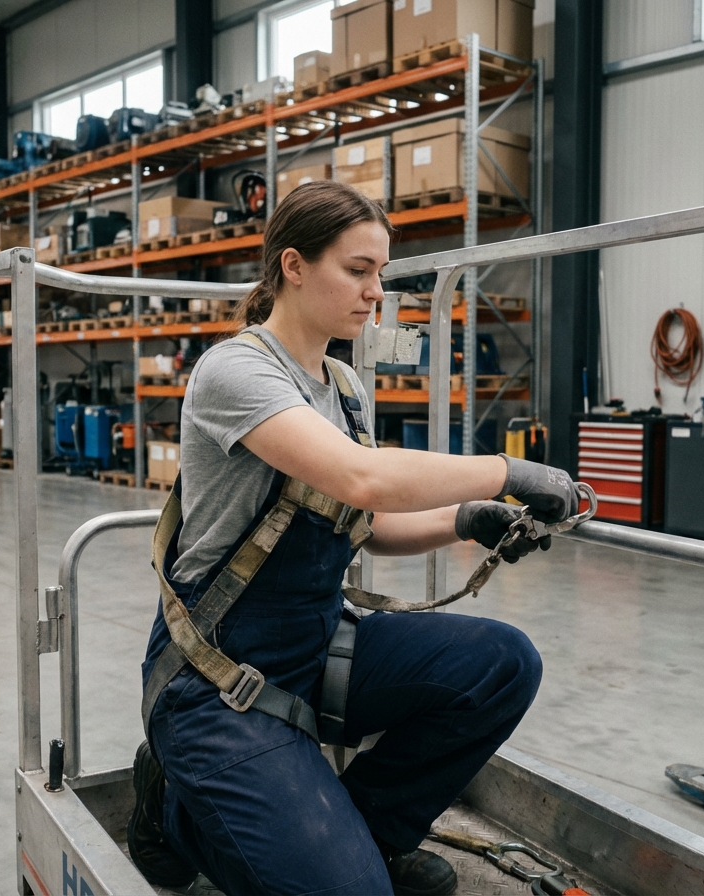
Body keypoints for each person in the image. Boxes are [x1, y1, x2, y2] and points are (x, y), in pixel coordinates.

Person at [129, 180, 578, 896]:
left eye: (381, 272)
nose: (376, 291)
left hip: (311, 646)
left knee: (502, 662)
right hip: (217, 680)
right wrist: (506, 471)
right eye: (358, 269)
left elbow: (362, 522)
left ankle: (370, 835)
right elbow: (363, 477)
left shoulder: (343, 385)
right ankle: (174, 811)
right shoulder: (235, 371)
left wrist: (466, 522)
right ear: (294, 266)